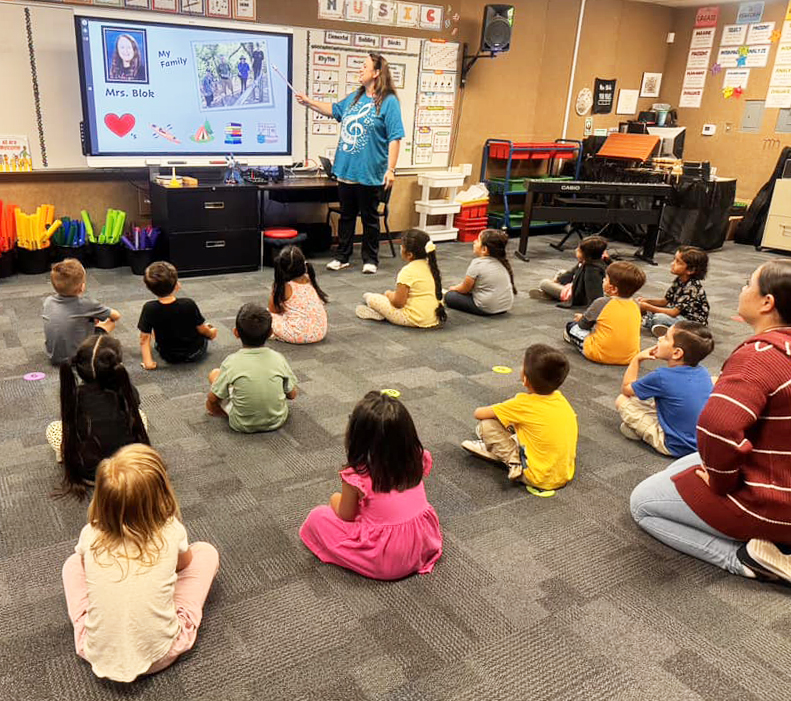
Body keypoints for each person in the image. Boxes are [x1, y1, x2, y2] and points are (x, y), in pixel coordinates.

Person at [631, 260, 791, 583]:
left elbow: (717, 427)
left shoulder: (759, 356)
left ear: (767, 302)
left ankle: (745, 559)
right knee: (679, 469)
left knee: (642, 503)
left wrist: (721, 484)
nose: (742, 288)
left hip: (769, 500)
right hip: (778, 473)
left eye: (748, 283)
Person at [61, 444, 219, 682]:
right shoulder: (170, 530)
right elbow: (185, 565)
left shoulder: (90, 533)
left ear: (102, 499)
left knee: (72, 563)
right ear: (162, 493)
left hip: (93, 649)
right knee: (206, 552)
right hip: (164, 652)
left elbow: (84, 568)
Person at [299, 391, 442, 580]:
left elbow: (346, 515)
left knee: (317, 517)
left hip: (388, 559)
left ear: (357, 436)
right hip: (425, 543)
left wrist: (334, 499)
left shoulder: (357, 474)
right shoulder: (415, 457)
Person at [296, 53, 405, 274]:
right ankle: (342, 256)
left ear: (376, 73)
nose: (360, 70)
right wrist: (308, 102)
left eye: (364, 67)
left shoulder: (388, 101)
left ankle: (370, 259)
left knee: (369, 218)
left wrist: (391, 169)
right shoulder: (355, 97)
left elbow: (395, 137)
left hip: (370, 171)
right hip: (346, 169)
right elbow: (334, 110)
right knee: (346, 216)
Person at [462, 344, 577, 495]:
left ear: (525, 379)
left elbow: (479, 413)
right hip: (564, 474)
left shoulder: (522, 404)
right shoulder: (561, 401)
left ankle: (513, 461)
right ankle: (504, 449)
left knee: (486, 426)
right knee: (521, 425)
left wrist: (504, 409)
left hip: (535, 476)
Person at [47, 335, 149, 500]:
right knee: (141, 415)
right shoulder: (126, 390)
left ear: (79, 367)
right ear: (117, 366)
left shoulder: (74, 394)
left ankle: (62, 456)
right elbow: (133, 411)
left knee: (54, 428)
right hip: (128, 468)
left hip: (91, 475)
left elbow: (70, 423)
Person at [616, 321, 714, 457]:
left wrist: (637, 359)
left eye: (666, 337)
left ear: (676, 353)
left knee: (622, 400)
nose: (660, 338)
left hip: (675, 445)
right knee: (659, 400)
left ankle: (645, 433)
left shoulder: (661, 376)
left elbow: (626, 389)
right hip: (701, 444)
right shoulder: (703, 371)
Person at [206, 303, 298, 433]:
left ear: (235, 333)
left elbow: (213, 398)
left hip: (241, 424)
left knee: (214, 374)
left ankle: (224, 413)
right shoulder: (278, 358)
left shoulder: (231, 362)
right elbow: (292, 395)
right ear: (270, 333)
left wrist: (212, 405)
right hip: (278, 420)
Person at [355, 229, 446, 328]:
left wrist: (389, 294)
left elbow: (398, 303)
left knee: (372, 298)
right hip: (434, 317)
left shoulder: (407, 271)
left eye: (402, 246)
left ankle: (379, 311)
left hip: (413, 318)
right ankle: (381, 312)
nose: (400, 247)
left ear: (409, 254)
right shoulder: (431, 266)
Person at [564, 261, 646, 365]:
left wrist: (581, 318)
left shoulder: (601, 302)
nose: (603, 280)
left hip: (600, 354)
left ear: (613, 289)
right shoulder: (636, 304)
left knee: (571, 326)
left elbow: (583, 325)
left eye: (606, 279)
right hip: (630, 357)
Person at [138, 261, 217, 370]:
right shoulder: (188, 304)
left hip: (167, 355)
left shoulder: (149, 308)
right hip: (194, 353)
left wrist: (148, 363)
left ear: (148, 287)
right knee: (208, 328)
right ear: (176, 285)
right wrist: (211, 333)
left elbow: (144, 338)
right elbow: (202, 329)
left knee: (157, 330)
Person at [43, 258, 120, 366]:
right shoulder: (86, 303)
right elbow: (116, 315)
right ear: (82, 287)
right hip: (78, 359)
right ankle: (95, 349)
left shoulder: (48, 301)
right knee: (110, 322)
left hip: (54, 357)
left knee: (87, 318)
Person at [637, 246, 710, 337]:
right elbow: (664, 301)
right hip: (678, 315)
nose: (672, 264)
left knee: (659, 317)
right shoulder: (679, 280)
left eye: (678, 262)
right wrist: (646, 301)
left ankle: (677, 332)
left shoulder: (692, 288)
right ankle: (664, 328)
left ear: (690, 270)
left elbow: (673, 312)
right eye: (674, 260)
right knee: (650, 310)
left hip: (692, 323)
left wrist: (649, 307)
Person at [444, 229, 516, 316]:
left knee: (450, 296)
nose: (474, 242)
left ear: (484, 249)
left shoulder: (477, 263)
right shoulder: (502, 262)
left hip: (487, 308)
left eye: (478, 240)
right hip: (505, 306)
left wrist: (454, 288)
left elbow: (465, 289)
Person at [268, 245, 328, 344]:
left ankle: (274, 334)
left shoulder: (284, 286)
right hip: (320, 331)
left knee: (265, 316)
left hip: (298, 334)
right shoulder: (308, 278)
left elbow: (273, 310)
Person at [529, 235, 608, 308]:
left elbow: (594, 295)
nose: (576, 250)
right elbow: (571, 273)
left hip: (572, 295)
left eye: (579, 250)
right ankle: (549, 293)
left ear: (586, 254)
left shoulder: (591, 270)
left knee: (544, 283)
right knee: (561, 272)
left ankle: (548, 293)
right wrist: (557, 280)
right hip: (575, 286)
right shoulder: (591, 261)